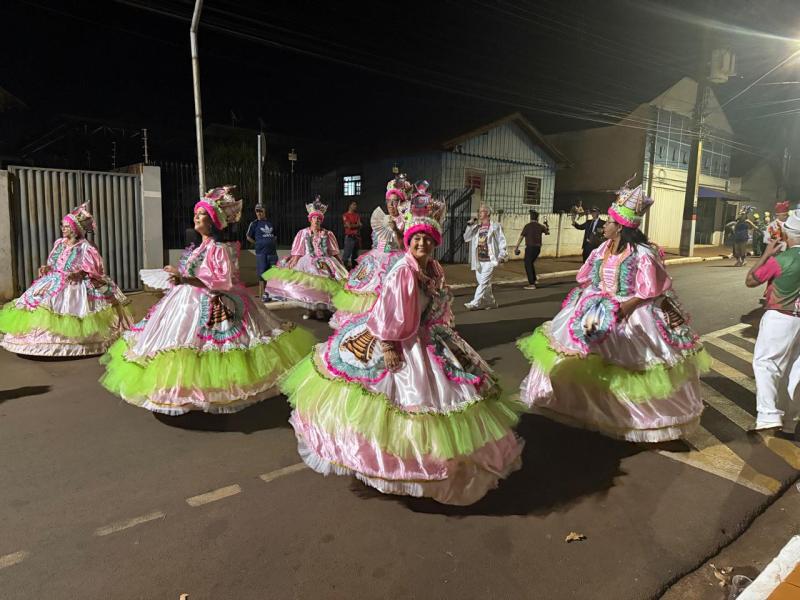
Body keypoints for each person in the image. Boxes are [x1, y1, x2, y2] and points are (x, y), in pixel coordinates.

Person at [280, 186, 524, 505]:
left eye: (427, 239)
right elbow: (386, 311)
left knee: (454, 399)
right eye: (416, 238)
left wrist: (445, 334)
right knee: (396, 406)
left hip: (430, 338)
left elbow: (439, 307)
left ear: (435, 242)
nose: (421, 243)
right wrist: (388, 346)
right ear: (408, 241)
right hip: (399, 341)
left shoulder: (433, 269)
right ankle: (392, 465)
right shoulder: (403, 272)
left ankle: (437, 463)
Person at [517, 179, 710, 442]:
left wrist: (625, 307)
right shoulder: (602, 248)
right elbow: (586, 276)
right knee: (580, 359)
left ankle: (632, 419)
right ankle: (585, 408)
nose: (604, 226)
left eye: (608, 222)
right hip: (596, 310)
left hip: (632, 312)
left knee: (628, 366)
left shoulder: (642, 253)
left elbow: (651, 289)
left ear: (620, 227)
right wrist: (594, 299)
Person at [100, 186, 315, 415]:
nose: (196, 217)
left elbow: (221, 281)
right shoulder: (198, 248)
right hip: (186, 301)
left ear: (212, 221)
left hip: (212, 301)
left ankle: (213, 391)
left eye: (201, 214)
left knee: (214, 349)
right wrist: (176, 276)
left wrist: (184, 277)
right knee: (176, 344)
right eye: (196, 213)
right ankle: (180, 389)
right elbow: (192, 274)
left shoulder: (219, 249)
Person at [0, 203, 132, 357]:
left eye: (67, 226)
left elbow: (95, 269)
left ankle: (77, 345)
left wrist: (79, 273)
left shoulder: (86, 247)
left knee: (72, 312)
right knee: (41, 304)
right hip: (54, 281)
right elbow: (54, 263)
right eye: (62, 225)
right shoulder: (59, 243)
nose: (63, 229)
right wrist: (47, 268)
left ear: (75, 229)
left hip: (76, 285)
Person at [745, 210, 800, 440]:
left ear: (788, 234)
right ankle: (790, 424)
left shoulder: (782, 260)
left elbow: (751, 280)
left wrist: (766, 254)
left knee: (766, 364)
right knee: (794, 372)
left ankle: (768, 415)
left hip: (780, 317)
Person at [330, 176, 410, 328]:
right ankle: (365, 323)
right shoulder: (382, 218)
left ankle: (385, 323)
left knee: (389, 292)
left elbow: (404, 246)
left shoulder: (405, 220)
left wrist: (395, 230)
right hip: (376, 258)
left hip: (395, 260)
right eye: (389, 201)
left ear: (401, 203)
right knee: (365, 288)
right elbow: (376, 242)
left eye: (395, 201)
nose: (391, 205)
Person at [262, 195, 348, 320]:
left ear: (321, 220)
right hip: (308, 261)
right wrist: (294, 260)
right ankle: (309, 310)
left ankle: (320, 309)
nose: (316, 221)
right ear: (310, 220)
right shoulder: (303, 233)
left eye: (319, 219)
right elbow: (298, 250)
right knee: (307, 286)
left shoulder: (328, 234)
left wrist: (340, 264)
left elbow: (334, 252)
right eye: (314, 218)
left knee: (323, 287)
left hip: (325, 261)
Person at [463, 203, 508, 310]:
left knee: (483, 283)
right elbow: (466, 238)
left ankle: (475, 303)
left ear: (487, 213)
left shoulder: (495, 226)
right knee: (484, 284)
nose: (479, 213)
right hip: (479, 260)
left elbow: (501, 241)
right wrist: (469, 225)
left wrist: (502, 255)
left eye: (481, 211)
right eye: (479, 211)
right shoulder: (477, 227)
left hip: (490, 260)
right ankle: (492, 303)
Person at [245, 203, 278, 302]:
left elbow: (275, 235)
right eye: (257, 211)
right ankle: (263, 294)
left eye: (260, 211)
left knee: (273, 273)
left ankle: (272, 293)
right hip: (261, 253)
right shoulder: (254, 224)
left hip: (272, 253)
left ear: (264, 211)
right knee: (262, 274)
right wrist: (257, 243)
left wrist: (271, 242)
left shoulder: (271, 223)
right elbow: (248, 236)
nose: (259, 213)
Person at [513, 210, 550, 290]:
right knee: (530, 263)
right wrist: (547, 225)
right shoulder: (540, 226)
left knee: (528, 264)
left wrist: (516, 247)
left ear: (530, 217)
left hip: (530, 248)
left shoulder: (527, 226)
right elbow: (547, 232)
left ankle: (532, 284)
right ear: (537, 218)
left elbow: (521, 237)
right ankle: (534, 280)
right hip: (537, 248)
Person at [342, 201, 362, 270]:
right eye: (354, 205)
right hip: (349, 237)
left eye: (356, 205)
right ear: (349, 206)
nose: (355, 206)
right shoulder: (345, 215)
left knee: (355, 257)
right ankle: (345, 270)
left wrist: (352, 225)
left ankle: (354, 270)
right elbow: (349, 226)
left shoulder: (357, 215)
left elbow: (360, 225)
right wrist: (357, 225)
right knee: (346, 255)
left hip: (356, 237)